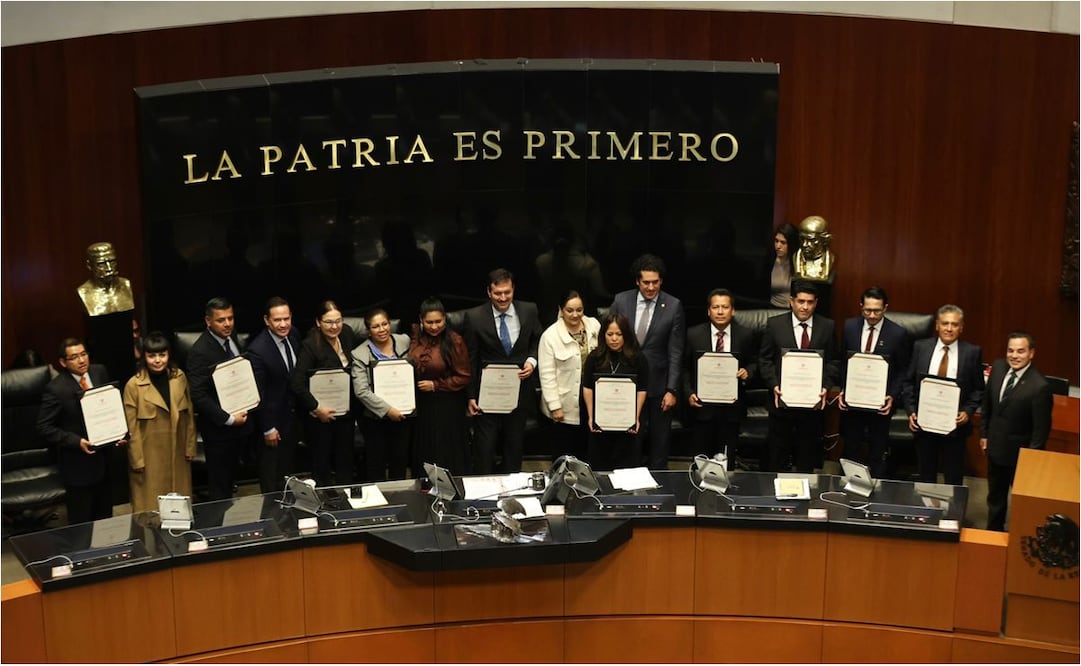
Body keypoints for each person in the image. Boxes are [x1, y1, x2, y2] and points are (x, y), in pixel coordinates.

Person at [608, 254, 685, 470]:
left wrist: (672, 389)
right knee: (629, 441)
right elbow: (610, 337)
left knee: (659, 444)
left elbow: (676, 351)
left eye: (655, 282)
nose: (651, 287)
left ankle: (659, 491)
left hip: (659, 386)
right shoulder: (621, 301)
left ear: (661, 281)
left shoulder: (673, 305)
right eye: (646, 282)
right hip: (626, 382)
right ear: (637, 281)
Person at [464, 268, 543, 473]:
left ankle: (512, 495)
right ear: (489, 292)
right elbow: (471, 358)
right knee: (485, 449)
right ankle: (483, 496)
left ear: (513, 289)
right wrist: (471, 396)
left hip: (518, 391)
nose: (503, 297)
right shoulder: (474, 317)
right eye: (498, 293)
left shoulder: (529, 310)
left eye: (507, 292)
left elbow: (537, 339)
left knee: (514, 447)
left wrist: (532, 361)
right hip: (487, 394)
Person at [37, 338, 123, 524]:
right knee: (82, 522)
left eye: (83, 354)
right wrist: (76, 441)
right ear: (63, 362)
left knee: (105, 519)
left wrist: (118, 433)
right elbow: (44, 427)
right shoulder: (56, 389)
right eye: (74, 357)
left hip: (104, 460)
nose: (81, 360)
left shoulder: (99, 372)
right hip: (78, 465)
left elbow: (111, 406)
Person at [758, 280, 841, 472]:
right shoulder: (775, 324)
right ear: (791, 301)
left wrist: (825, 387)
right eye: (801, 301)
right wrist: (774, 385)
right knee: (777, 456)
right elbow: (765, 360)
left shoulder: (827, 326)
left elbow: (834, 361)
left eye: (810, 302)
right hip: (781, 403)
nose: (805, 307)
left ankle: (805, 498)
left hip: (811, 405)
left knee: (807, 458)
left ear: (816, 303)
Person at [902, 304, 984, 486]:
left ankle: (952, 514)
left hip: (955, 427)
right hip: (925, 426)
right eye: (945, 323)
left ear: (961, 327)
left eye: (954, 324)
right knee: (925, 477)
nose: (949, 328)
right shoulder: (920, 347)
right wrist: (911, 411)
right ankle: (926, 513)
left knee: (953, 479)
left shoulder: (972, 353)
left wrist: (968, 412)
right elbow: (908, 383)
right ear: (937, 325)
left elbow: (979, 388)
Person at [980, 332, 1052, 531]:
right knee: (995, 499)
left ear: (1031, 353)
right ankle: (993, 536)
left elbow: (1040, 433)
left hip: (1019, 459)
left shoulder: (1039, 387)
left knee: (1022, 506)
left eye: (1021, 351)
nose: (1014, 355)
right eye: (1010, 350)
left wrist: (1030, 462)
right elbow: (988, 406)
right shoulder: (998, 367)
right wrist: (984, 434)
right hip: (995, 449)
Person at [837, 287, 911, 479]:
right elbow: (843, 362)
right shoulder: (849, 327)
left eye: (876, 310)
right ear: (861, 306)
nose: (871, 315)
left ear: (885, 308)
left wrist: (892, 397)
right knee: (851, 449)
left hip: (880, 404)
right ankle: (848, 489)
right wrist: (843, 390)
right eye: (867, 310)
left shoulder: (898, 333)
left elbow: (904, 370)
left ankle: (877, 490)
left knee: (877, 452)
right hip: (853, 402)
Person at [187, 297, 254, 501]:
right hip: (219, 429)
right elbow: (198, 394)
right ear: (208, 322)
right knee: (220, 487)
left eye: (230, 318)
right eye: (221, 320)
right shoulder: (200, 351)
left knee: (234, 480)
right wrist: (229, 418)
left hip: (241, 423)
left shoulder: (232, 338)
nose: (227, 324)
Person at [122, 333, 196, 513]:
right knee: (150, 510)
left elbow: (189, 417)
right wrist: (137, 460)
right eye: (152, 356)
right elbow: (131, 428)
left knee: (179, 509)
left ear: (168, 355)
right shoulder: (134, 385)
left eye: (162, 355)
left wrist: (190, 446)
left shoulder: (179, 378)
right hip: (149, 457)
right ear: (144, 356)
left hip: (178, 452)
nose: (157, 360)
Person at [683, 289, 756, 470]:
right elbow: (684, 368)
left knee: (726, 461)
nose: (720, 311)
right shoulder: (693, 335)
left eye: (725, 307)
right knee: (701, 463)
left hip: (732, 410)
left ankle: (726, 495)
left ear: (733, 310)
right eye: (716, 307)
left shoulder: (746, 335)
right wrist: (688, 392)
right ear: (709, 311)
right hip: (702, 408)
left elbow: (756, 362)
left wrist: (748, 372)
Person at [292, 300, 358, 487]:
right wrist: (316, 408)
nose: (334, 326)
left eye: (338, 320)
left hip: (346, 414)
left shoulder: (347, 334)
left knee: (345, 463)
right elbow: (297, 384)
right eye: (329, 322)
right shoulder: (310, 345)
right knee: (322, 467)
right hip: (321, 418)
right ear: (318, 322)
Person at [407, 298, 471, 475]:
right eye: (429, 322)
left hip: (447, 404)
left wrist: (435, 385)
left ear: (445, 319)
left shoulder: (455, 341)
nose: (434, 326)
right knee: (425, 449)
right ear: (421, 320)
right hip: (422, 404)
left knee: (445, 451)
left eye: (438, 321)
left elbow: (464, 376)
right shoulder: (416, 337)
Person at [247, 296, 302, 493]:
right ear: (266, 320)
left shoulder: (294, 336)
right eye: (277, 320)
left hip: (292, 419)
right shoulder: (257, 350)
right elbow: (257, 394)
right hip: (272, 424)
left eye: (286, 318)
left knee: (288, 476)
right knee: (272, 480)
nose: (283, 324)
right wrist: (267, 427)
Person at [538, 290, 601, 460]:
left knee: (588, 452)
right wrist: (554, 405)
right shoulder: (550, 336)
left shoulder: (594, 326)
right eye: (570, 310)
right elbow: (547, 374)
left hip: (591, 398)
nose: (575, 315)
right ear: (561, 309)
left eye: (579, 310)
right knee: (565, 454)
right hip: (564, 402)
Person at [581, 313, 649, 471]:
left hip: (627, 427)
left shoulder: (638, 358)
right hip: (600, 427)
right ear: (603, 334)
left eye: (619, 334)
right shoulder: (594, 357)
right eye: (610, 334)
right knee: (600, 471)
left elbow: (642, 389)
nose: (614, 339)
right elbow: (587, 388)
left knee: (626, 472)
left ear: (626, 334)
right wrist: (592, 417)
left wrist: (635, 417)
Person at [351, 308, 412, 482]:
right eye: (376, 326)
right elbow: (361, 391)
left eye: (384, 324)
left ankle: (401, 500)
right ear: (368, 330)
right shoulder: (359, 353)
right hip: (375, 419)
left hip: (404, 415)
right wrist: (387, 410)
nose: (382, 329)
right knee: (376, 465)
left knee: (400, 463)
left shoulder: (404, 341)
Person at [76, 242, 135, 316]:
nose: (109, 268)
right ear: (89, 265)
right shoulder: (83, 292)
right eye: (101, 264)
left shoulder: (126, 284)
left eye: (112, 262)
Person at [793, 215, 835, 282]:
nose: (804, 244)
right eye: (802, 239)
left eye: (811, 240)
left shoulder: (830, 259)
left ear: (824, 240)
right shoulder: (796, 258)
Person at [768, 223, 799, 308]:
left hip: (793, 310)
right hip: (772, 308)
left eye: (783, 242)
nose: (778, 246)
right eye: (776, 241)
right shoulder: (770, 261)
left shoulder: (798, 263)